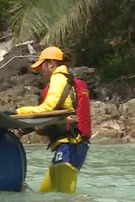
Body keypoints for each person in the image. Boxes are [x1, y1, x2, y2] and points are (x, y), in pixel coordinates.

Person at [11, 46, 92, 194]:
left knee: (66, 199)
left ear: (51, 64)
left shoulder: (58, 77)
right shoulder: (66, 79)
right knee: (43, 198)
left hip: (71, 146)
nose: (40, 72)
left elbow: (48, 108)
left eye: (41, 67)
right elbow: (55, 115)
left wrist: (18, 112)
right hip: (67, 146)